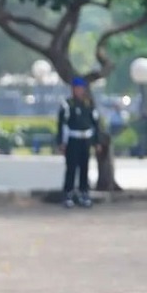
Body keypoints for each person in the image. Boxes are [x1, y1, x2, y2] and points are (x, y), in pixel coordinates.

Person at [57, 76, 100, 208]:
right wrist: (61, 142)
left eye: (81, 89)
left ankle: (84, 193)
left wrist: (96, 141)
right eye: (76, 89)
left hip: (85, 139)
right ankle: (68, 193)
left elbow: (95, 124)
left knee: (84, 167)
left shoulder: (89, 104)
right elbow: (62, 125)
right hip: (72, 139)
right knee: (71, 167)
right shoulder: (67, 104)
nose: (79, 91)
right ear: (73, 90)